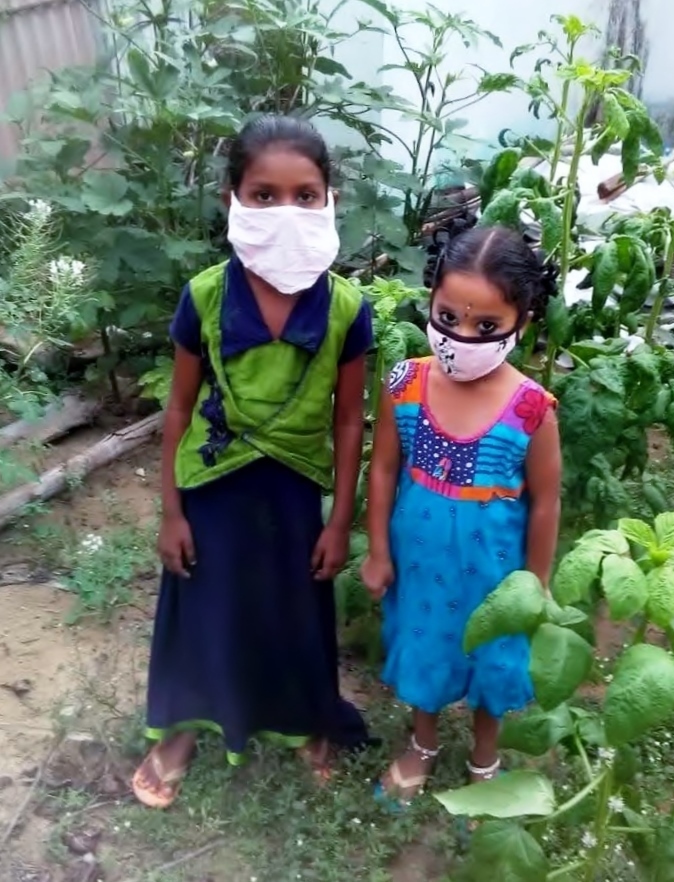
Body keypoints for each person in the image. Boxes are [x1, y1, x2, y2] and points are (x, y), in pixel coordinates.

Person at [131, 114, 374, 809]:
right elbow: (180, 408)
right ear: (232, 199)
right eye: (264, 195)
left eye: (305, 195)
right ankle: (184, 729)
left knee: (295, 612)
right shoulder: (206, 296)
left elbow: (348, 418)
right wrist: (171, 511)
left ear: (329, 201)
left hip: (294, 496)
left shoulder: (346, 309)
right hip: (213, 488)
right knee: (204, 610)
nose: (286, 211)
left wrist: (340, 521)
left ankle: (306, 723)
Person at [360, 224, 563, 803]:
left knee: (492, 656)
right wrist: (377, 550)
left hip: (493, 568)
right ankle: (422, 745)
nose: (462, 337)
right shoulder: (404, 384)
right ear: (431, 298)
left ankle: (484, 759)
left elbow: (546, 501)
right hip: (420, 559)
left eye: (487, 327)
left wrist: (537, 583)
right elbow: (383, 469)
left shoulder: (531, 410)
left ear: (524, 321)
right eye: (448, 317)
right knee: (424, 643)